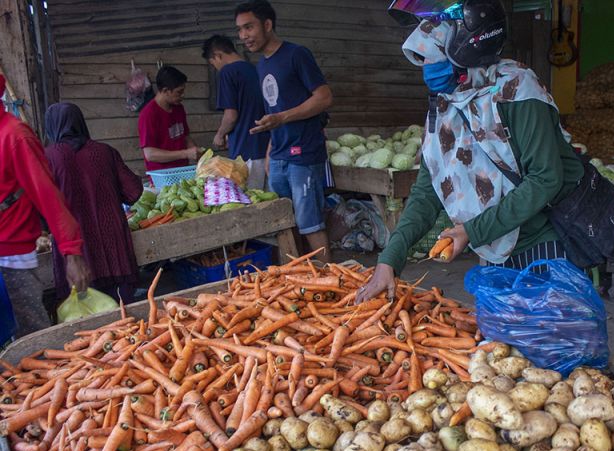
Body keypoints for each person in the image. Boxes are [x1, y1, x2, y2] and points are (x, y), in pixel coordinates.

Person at [357, 0, 584, 303]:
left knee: (548, 341)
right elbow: (428, 190)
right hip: (493, 245)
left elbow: (545, 178)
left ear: (466, 51)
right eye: (423, 59)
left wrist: (472, 231)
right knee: (502, 345)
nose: (426, 68)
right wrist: (389, 259)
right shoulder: (445, 104)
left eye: (433, 57)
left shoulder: (518, 92)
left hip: (543, 243)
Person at [235, 0, 334, 263]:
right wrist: (270, 151)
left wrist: (283, 118)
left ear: (267, 25)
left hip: (303, 153)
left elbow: (324, 98)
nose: (243, 36)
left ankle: (333, 280)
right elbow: (275, 110)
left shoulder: (296, 54)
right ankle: (299, 279)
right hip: (278, 155)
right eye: (240, 30)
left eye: (249, 27)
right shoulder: (262, 65)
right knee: (285, 221)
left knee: (310, 222)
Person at [0, 74, 91, 336]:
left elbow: (49, 196)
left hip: (11, 256)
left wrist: (71, 252)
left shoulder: (15, 135)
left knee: (30, 338)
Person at [45, 102, 144, 304]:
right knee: (123, 312)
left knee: (86, 317)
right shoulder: (105, 152)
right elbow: (133, 191)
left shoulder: (48, 158)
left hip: (76, 252)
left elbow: (42, 209)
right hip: (113, 249)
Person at [202, 35, 271, 191]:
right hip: (267, 149)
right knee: (268, 199)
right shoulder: (255, 69)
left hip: (246, 151)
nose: (216, 68)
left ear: (218, 55)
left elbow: (231, 116)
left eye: (213, 63)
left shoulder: (228, 72)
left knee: (251, 202)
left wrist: (219, 135)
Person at [138, 66, 203, 173]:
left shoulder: (179, 108)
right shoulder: (148, 115)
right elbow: (150, 154)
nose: (183, 95)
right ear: (165, 91)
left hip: (183, 171)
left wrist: (197, 154)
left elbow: (185, 137)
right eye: (179, 92)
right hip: (163, 176)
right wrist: (186, 153)